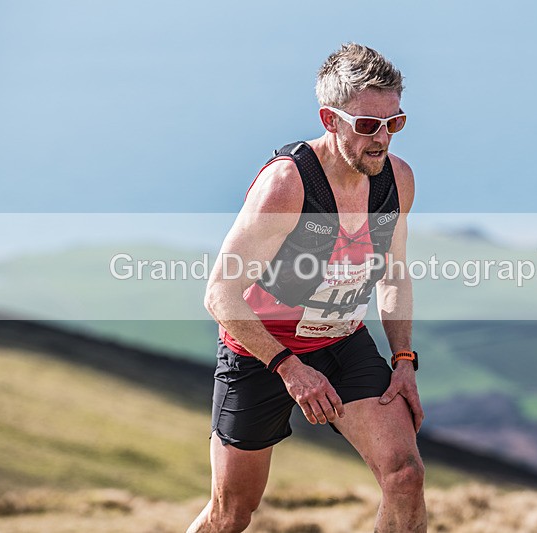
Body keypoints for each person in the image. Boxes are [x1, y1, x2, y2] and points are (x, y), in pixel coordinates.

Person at [188, 43, 426, 533]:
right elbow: (220, 294)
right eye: (367, 126)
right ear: (330, 119)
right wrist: (289, 369)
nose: (382, 139)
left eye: (394, 122)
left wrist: (403, 360)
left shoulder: (397, 181)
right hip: (262, 352)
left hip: (341, 340)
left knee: (405, 477)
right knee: (231, 515)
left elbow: (394, 273)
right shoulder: (287, 184)